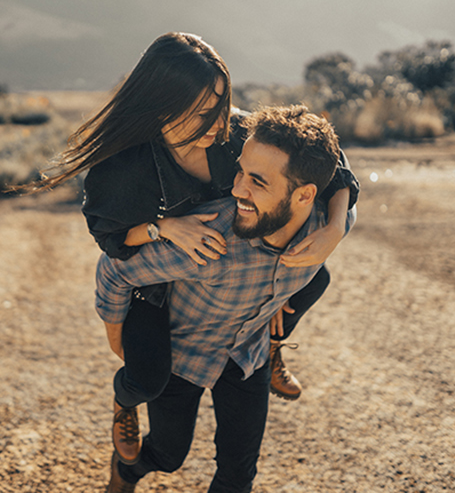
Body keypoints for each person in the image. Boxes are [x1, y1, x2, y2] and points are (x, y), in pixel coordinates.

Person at [20, 32, 359, 466]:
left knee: (316, 277)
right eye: (203, 113)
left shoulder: (237, 131)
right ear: (160, 106)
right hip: (159, 284)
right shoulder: (124, 167)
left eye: (221, 106)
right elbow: (111, 240)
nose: (219, 124)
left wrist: (335, 228)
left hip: (231, 270)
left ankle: (272, 344)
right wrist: (162, 228)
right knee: (146, 380)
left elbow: (331, 162)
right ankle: (124, 402)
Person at [96, 105, 357, 492]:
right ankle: (125, 471)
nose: (237, 189)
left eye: (257, 182)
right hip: (183, 356)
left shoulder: (325, 229)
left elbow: (343, 184)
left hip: (248, 354)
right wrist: (117, 340)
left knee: (238, 474)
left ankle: (275, 347)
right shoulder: (207, 239)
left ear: (305, 196)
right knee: (167, 455)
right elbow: (114, 269)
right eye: (240, 172)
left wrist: (335, 228)